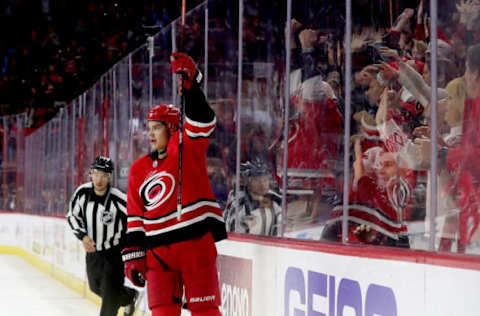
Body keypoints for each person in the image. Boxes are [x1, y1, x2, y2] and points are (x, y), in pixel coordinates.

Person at [122, 52, 227, 316]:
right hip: (158, 252)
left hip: (195, 244)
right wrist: (134, 254)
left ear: (171, 127)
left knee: (206, 311)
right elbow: (135, 216)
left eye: (156, 127)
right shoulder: (138, 169)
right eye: (149, 128)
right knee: (161, 313)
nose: (150, 134)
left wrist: (190, 87)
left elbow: (202, 121)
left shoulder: (187, 147)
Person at [66, 156, 137, 316]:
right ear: (90, 173)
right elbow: (72, 216)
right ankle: (128, 296)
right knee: (95, 287)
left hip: (114, 253)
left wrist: (129, 244)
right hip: (93, 252)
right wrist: (83, 236)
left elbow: (135, 218)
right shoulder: (82, 193)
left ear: (110, 176)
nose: (99, 179)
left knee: (109, 299)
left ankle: (119, 299)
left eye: (104, 175)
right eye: (96, 173)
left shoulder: (118, 198)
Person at [224, 158, 282, 236]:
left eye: (265, 180)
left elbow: (284, 227)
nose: (262, 184)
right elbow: (233, 234)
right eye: (257, 180)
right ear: (248, 182)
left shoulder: (276, 200)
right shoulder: (239, 204)